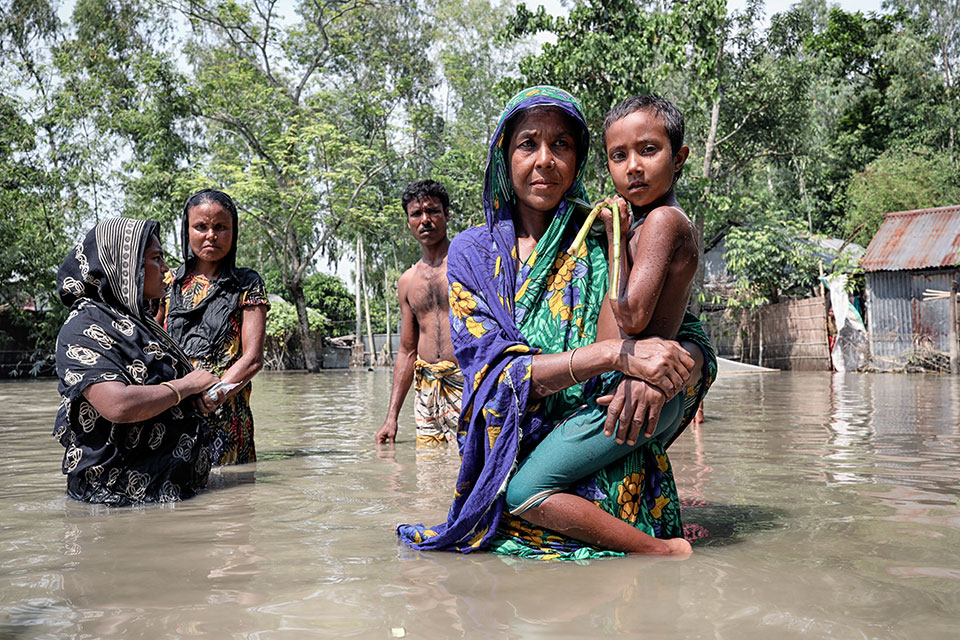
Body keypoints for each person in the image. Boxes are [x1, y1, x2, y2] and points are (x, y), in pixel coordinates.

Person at [397, 86, 717, 559]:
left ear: (579, 159)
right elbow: (493, 372)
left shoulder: (608, 233)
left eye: (561, 145)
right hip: (518, 459)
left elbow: (686, 336)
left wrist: (661, 379)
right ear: (504, 155)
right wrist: (616, 355)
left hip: (610, 432)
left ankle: (655, 548)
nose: (544, 159)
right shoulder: (471, 255)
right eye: (528, 143)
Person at [53, 217, 221, 505]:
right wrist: (187, 385)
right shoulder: (82, 327)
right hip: (117, 503)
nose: (167, 270)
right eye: (156, 259)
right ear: (124, 265)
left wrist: (194, 398)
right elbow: (118, 404)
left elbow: (158, 390)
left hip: (166, 494)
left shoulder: (138, 323)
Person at [161, 189, 268, 466]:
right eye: (201, 227)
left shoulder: (247, 283)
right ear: (187, 230)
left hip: (227, 412)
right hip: (174, 409)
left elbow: (253, 358)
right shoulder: (167, 282)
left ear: (233, 233)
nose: (211, 235)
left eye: (221, 227)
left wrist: (215, 393)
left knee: (231, 501)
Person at [375, 180, 462, 448]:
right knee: (428, 471)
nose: (425, 220)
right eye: (416, 214)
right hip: (426, 390)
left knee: (470, 469)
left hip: (466, 382)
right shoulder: (407, 281)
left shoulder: (467, 264)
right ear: (409, 222)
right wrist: (391, 418)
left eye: (433, 211)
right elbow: (406, 351)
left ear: (447, 215)